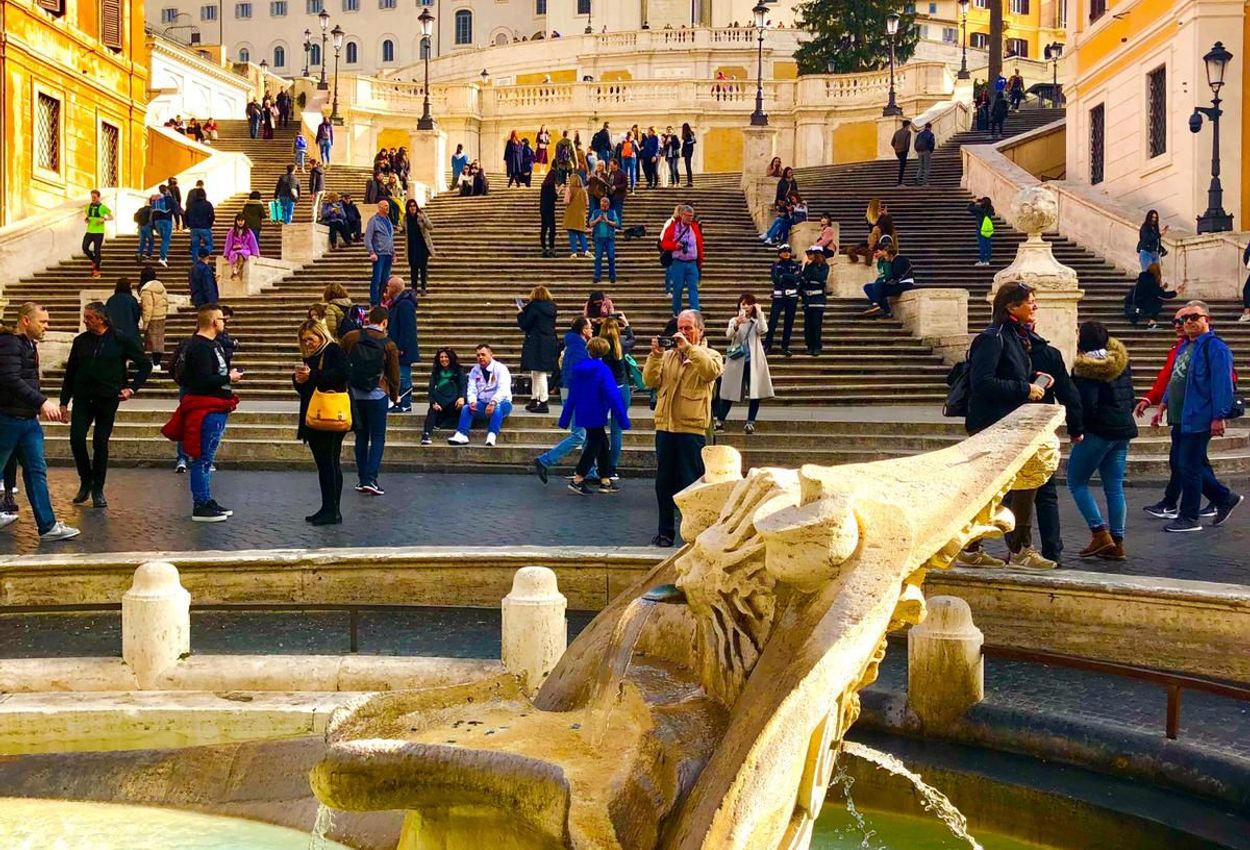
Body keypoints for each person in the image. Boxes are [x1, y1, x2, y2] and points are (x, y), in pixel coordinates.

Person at [956, 282, 1081, 570]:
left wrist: (1033, 377)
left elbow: (1005, 372)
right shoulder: (992, 337)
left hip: (1014, 425)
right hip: (995, 426)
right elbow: (982, 382)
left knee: (1022, 486)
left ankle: (999, 548)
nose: (1034, 306)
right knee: (997, 491)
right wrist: (1025, 388)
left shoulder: (1016, 335)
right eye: (1030, 302)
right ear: (1011, 306)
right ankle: (989, 548)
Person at [1159, 301, 1242, 532]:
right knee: (1184, 463)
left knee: (1189, 466)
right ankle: (1224, 498)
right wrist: (1163, 404)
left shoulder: (1215, 348)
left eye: (1194, 317)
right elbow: (1177, 378)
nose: (1187, 323)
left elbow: (1222, 384)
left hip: (1199, 416)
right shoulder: (1186, 347)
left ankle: (1189, 517)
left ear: (1207, 319)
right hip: (1181, 416)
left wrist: (1219, 416)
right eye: (1183, 320)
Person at [59, 301, 151, 508]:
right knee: (76, 439)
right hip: (83, 397)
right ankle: (86, 479)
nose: (85, 320)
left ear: (101, 319)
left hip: (107, 397)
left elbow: (144, 364)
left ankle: (98, 488)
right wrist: (64, 402)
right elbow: (71, 372)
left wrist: (132, 388)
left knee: (100, 442)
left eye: (89, 317)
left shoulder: (120, 339)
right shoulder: (81, 341)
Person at [644, 310, 723, 547]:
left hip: (692, 429)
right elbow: (649, 381)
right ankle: (665, 531)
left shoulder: (711, 355)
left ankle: (696, 531)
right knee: (664, 482)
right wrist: (655, 355)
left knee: (692, 482)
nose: (683, 332)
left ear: (700, 330)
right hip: (666, 427)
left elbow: (710, 372)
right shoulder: (667, 356)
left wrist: (689, 348)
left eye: (689, 328)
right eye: (681, 327)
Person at [0, 303, 78, 541]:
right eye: (42, 321)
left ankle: (48, 526)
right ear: (25, 320)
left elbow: (24, 380)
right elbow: (9, 379)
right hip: (7, 419)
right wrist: (42, 402)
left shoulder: (26, 344)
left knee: (37, 472)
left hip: (27, 419)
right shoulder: (10, 343)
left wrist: (38, 405)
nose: (47, 326)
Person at [161, 305, 242, 522]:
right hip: (207, 406)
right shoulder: (199, 347)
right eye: (222, 319)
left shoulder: (212, 345)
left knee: (206, 458)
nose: (225, 323)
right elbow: (202, 380)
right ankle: (201, 503)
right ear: (214, 321)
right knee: (202, 458)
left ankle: (206, 499)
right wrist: (229, 378)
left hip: (215, 405)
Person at [1066, 322, 1138, 560]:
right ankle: (1117, 543)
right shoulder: (1121, 363)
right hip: (1123, 430)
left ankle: (1099, 533)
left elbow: (1084, 405)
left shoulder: (1086, 369)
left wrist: (1076, 430)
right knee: (1114, 487)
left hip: (1098, 431)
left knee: (1076, 481)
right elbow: (1130, 395)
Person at [341, 305, 401, 495]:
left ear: (368, 319)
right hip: (377, 394)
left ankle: (361, 479)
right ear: (385, 322)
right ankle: (370, 479)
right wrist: (395, 395)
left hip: (355, 394)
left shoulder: (351, 337)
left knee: (361, 436)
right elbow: (394, 375)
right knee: (377, 437)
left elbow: (340, 361)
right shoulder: (388, 344)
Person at [560, 337, 631, 495]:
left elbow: (573, 394)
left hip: (583, 411)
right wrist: (623, 420)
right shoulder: (604, 370)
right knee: (594, 445)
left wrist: (565, 418)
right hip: (598, 412)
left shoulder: (579, 369)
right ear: (605, 352)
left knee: (602, 444)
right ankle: (578, 478)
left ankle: (605, 479)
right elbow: (613, 395)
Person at [533, 318, 594, 483]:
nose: (592, 330)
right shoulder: (578, 349)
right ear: (583, 330)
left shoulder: (574, 346)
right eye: (589, 328)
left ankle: (590, 470)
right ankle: (545, 460)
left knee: (588, 433)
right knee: (579, 435)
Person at [715, 293, 773, 434]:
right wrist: (737, 324)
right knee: (729, 391)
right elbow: (729, 335)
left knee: (755, 392)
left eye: (748, 303)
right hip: (736, 359)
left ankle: (750, 422)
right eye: (743, 303)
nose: (745, 306)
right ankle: (720, 420)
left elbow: (764, 330)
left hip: (753, 361)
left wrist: (760, 313)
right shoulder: (734, 320)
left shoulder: (756, 321)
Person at [447, 344, 513, 447]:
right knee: (466, 408)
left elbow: (503, 389)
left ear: (490, 354)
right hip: (482, 403)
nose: (480, 357)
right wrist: (472, 401)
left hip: (502, 403)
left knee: (497, 408)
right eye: (478, 355)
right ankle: (462, 434)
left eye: (483, 354)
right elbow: (471, 389)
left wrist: (493, 402)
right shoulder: (475, 370)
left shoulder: (501, 369)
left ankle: (492, 434)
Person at [518, 286, 558, 414]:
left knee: (539, 372)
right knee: (537, 371)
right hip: (549, 340)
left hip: (536, 341)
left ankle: (543, 400)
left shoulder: (533, 307)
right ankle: (534, 398)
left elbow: (525, 325)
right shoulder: (552, 307)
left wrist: (520, 313)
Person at [383, 276, 419, 412]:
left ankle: (405, 403)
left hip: (402, 348)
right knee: (398, 375)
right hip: (396, 346)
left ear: (394, 288)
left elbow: (408, 328)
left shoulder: (404, 304)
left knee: (403, 375)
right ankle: (399, 401)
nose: (386, 289)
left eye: (388, 286)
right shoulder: (397, 303)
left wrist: (401, 347)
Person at [660, 204, 704, 315]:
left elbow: (699, 245)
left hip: (692, 263)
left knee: (693, 289)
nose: (690, 218)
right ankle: (677, 312)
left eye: (691, 216)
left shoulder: (694, 227)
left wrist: (700, 262)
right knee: (678, 289)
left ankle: (695, 313)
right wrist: (675, 246)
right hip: (678, 263)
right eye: (687, 215)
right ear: (681, 215)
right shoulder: (673, 227)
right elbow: (664, 243)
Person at [421, 347, 468, 445]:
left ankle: (442, 423)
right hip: (440, 399)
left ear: (450, 358)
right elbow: (431, 389)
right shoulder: (436, 371)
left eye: (446, 357)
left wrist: (462, 397)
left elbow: (463, 385)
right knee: (432, 410)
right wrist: (433, 402)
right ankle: (426, 434)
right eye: (441, 357)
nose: (443, 359)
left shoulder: (458, 370)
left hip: (453, 400)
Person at [862, 241, 915, 319]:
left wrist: (887, 263)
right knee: (868, 287)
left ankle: (883, 309)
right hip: (896, 283)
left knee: (879, 286)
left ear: (889, 254)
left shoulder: (899, 259)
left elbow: (894, 275)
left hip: (904, 284)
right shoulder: (889, 261)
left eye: (886, 255)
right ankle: (878, 306)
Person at [765, 243, 801, 356]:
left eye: (788, 251)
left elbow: (797, 279)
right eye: (784, 251)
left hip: (792, 297)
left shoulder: (796, 265)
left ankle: (785, 346)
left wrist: (785, 276)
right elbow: (776, 279)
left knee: (789, 322)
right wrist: (789, 277)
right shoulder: (776, 265)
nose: (786, 253)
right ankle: (767, 345)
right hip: (779, 296)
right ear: (779, 253)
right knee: (773, 321)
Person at [1126, 262, 1181, 328]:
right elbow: (1161, 295)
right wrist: (1176, 292)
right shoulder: (1151, 281)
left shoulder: (1144, 279)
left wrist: (1162, 288)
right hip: (1140, 305)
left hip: (1135, 303)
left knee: (1156, 299)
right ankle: (1152, 322)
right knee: (1158, 301)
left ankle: (1150, 320)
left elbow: (1149, 292)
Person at [800, 246, 829, 356]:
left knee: (816, 324)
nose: (809, 256)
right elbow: (803, 278)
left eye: (811, 253)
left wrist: (811, 268)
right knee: (808, 324)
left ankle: (816, 346)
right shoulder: (807, 266)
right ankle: (809, 345)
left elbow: (820, 278)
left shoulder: (823, 266)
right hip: (807, 298)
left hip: (818, 299)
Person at [365, 201, 395, 306]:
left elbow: (390, 238)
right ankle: (374, 301)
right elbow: (367, 238)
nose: (387, 208)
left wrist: (393, 253)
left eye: (388, 206)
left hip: (388, 253)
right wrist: (371, 252)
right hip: (379, 253)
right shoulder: (374, 220)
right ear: (379, 207)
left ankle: (381, 300)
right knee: (377, 278)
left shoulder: (388, 220)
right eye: (385, 206)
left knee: (385, 279)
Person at [138, 266, 169, 371]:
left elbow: (148, 307)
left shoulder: (146, 290)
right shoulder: (160, 286)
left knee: (152, 341)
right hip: (161, 315)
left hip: (153, 317)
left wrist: (145, 322)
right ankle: (157, 363)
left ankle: (155, 364)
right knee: (159, 340)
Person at [404, 199, 435, 295]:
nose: (412, 208)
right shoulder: (406, 218)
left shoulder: (421, 215)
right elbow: (404, 229)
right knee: (413, 268)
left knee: (423, 268)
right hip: (412, 246)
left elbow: (430, 227)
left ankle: (423, 288)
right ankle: (414, 288)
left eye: (414, 206)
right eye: (410, 206)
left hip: (422, 246)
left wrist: (423, 219)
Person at [589, 196, 621, 285]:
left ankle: (612, 276)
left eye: (605, 203)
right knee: (598, 257)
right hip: (598, 238)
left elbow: (617, 223)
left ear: (608, 204)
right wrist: (598, 220)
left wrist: (608, 221)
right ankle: (597, 276)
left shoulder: (612, 212)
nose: (604, 205)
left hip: (609, 238)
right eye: (602, 203)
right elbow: (590, 224)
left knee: (611, 257)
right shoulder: (596, 212)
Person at [82, 189, 113, 279]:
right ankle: (95, 260)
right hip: (89, 231)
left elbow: (111, 217)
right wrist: (86, 219)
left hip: (99, 232)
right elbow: (88, 216)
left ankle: (97, 271)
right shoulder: (88, 207)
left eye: (94, 197)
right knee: (84, 247)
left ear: (98, 197)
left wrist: (104, 219)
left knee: (97, 250)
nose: (93, 199)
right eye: (92, 197)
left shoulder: (103, 207)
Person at [223, 214, 260, 281]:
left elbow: (253, 243)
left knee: (240, 256)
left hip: (245, 250)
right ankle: (235, 270)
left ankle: (237, 271)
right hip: (235, 250)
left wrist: (255, 253)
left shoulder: (248, 231)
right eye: (239, 220)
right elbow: (228, 243)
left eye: (242, 220)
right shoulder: (232, 232)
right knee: (235, 256)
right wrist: (226, 253)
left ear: (244, 221)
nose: (240, 222)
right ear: (236, 221)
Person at [104, 278, 140, 343]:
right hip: (130, 331)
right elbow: (136, 315)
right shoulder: (132, 299)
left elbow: (106, 315)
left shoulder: (111, 300)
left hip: (114, 331)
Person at [184, 191, 216, 262]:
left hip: (194, 228)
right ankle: (203, 255)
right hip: (205, 227)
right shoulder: (207, 204)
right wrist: (209, 224)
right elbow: (212, 216)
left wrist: (189, 224)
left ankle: (196, 262)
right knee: (209, 244)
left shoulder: (191, 204)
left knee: (195, 247)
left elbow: (185, 215)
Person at [564, 174, 590, 259]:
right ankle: (586, 250)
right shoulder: (583, 190)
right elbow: (587, 203)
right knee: (581, 233)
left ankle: (574, 252)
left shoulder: (569, 189)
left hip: (571, 212)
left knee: (572, 233)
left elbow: (566, 201)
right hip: (581, 213)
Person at [969, 197, 995, 267]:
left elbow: (969, 208)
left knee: (982, 245)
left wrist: (974, 202)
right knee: (988, 245)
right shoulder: (990, 209)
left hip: (981, 229)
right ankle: (987, 260)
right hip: (988, 229)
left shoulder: (979, 209)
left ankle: (982, 260)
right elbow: (991, 208)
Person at [539, 170, 559, 259]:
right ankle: (551, 248)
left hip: (543, 209)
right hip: (550, 210)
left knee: (544, 228)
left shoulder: (543, 185)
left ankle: (543, 248)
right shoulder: (551, 186)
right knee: (552, 229)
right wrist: (559, 191)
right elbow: (554, 197)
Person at [134, 194, 156, 262]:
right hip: (147, 226)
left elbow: (136, 217)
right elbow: (151, 219)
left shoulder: (141, 209)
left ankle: (139, 253)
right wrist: (153, 227)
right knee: (151, 240)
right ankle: (148, 254)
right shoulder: (151, 209)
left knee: (142, 241)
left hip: (140, 226)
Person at [891, 120, 913, 186]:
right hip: (903, 150)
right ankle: (899, 182)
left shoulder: (897, 132)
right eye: (909, 125)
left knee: (901, 165)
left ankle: (899, 180)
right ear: (907, 125)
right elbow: (907, 142)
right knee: (902, 166)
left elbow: (892, 143)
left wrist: (896, 148)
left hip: (897, 151)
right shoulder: (908, 132)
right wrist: (907, 150)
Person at [914, 122, 936, 186]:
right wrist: (930, 151)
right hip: (926, 151)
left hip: (919, 151)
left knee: (920, 167)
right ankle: (925, 182)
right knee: (927, 168)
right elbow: (932, 143)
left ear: (925, 127)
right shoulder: (931, 134)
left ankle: (917, 178)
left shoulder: (920, 134)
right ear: (930, 127)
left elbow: (915, 142)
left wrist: (917, 150)